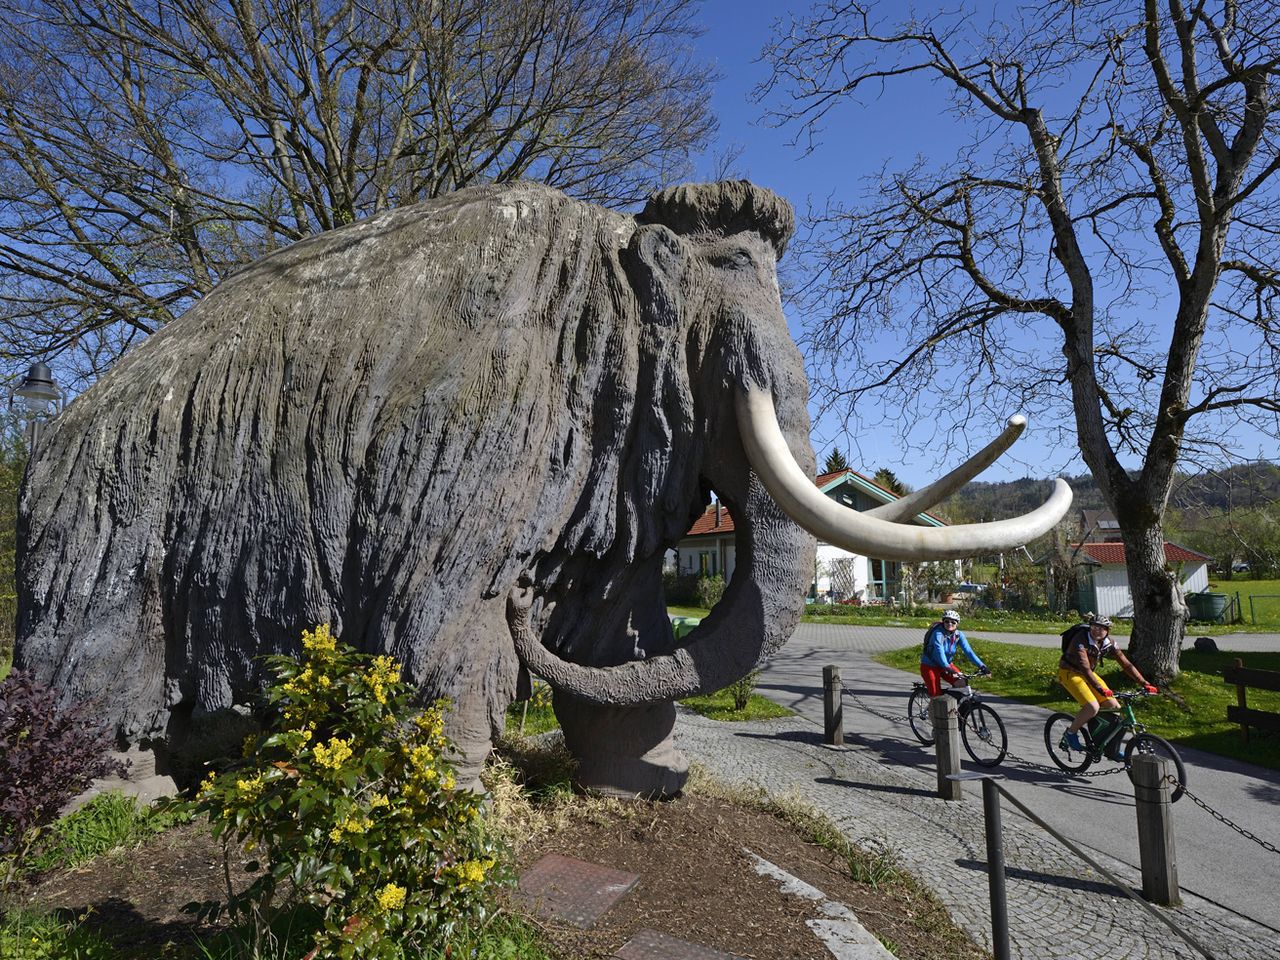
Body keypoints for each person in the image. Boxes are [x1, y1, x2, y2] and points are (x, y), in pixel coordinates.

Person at [1057, 614, 1158, 755]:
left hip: (1089, 674)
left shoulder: (1109, 643)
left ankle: (1109, 747)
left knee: (1115, 708)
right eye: (1094, 627)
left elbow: (1126, 664)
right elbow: (1085, 668)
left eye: (1101, 628)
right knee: (1092, 707)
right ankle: (1070, 733)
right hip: (1070, 673)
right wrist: (1100, 689)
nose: (1096, 631)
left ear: (1107, 630)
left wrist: (1144, 683)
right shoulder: (1080, 640)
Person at [920, 610, 989, 696]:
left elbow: (968, 651)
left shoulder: (958, 635)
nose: (950, 624)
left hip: (947, 666)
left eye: (953, 622)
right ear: (943, 622)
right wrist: (947, 667)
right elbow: (939, 651)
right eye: (947, 621)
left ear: (957, 624)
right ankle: (935, 704)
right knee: (936, 694)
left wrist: (982, 666)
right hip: (930, 666)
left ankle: (953, 703)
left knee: (962, 683)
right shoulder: (938, 634)